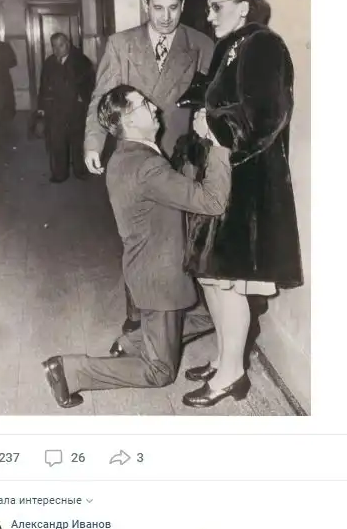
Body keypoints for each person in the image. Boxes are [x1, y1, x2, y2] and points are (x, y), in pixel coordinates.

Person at [42, 84, 231, 409]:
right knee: (160, 372)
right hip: (159, 279)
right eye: (144, 105)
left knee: (214, 315)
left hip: (147, 268)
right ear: (128, 121)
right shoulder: (146, 166)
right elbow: (212, 201)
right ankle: (69, 371)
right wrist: (218, 144)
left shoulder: (126, 155)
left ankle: (131, 343)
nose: (154, 107)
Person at [173, 0, 304, 408]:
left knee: (226, 282)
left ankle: (232, 375)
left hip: (245, 187)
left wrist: (213, 125)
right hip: (221, 178)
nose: (209, 16)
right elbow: (226, 100)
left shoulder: (264, 44)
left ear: (244, 7)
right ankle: (225, 360)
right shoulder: (232, 44)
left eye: (217, 7)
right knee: (212, 279)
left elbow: (267, 116)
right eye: (208, 8)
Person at [84, 0, 214, 334]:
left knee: (176, 241)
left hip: (180, 160)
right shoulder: (121, 44)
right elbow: (101, 98)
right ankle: (136, 315)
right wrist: (94, 142)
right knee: (138, 239)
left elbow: (213, 100)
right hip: (136, 157)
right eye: (158, 8)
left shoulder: (201, 44)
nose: (166, 17)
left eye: (173, 8)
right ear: (146, 4)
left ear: (183, 6)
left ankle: (176, 316)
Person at [37, 33, 95, 183]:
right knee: (57, 141)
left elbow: (91, 84)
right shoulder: (49, 62)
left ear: (68, 43)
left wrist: (84, 100)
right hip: (55, 109)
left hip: (76, 108)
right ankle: (59, 173)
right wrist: (41, 106)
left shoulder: (81, 61)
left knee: (78, 141)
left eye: (61, 45)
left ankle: (80, 171)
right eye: (54, 46)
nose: (57, 50)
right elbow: (43, 86)